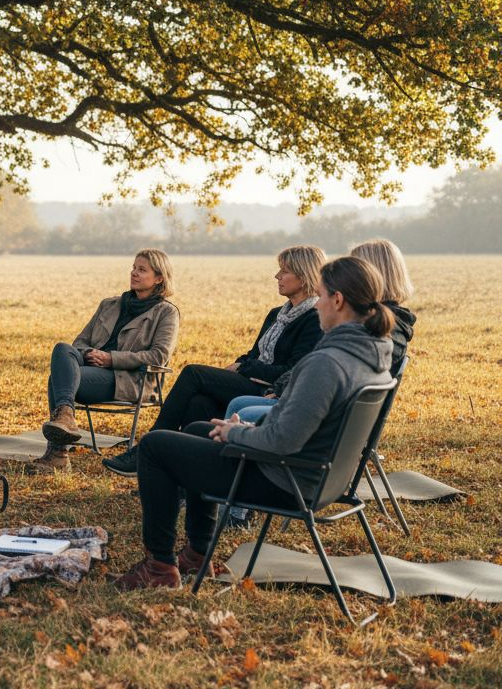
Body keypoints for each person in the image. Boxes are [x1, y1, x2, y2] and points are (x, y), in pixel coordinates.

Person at [114, 255, 395, 589]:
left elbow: (283, 441)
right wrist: (249, 429)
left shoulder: (327, 363)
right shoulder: (373, 353)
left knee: (155, 446)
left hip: (284, 479)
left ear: (338, 300)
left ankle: (159, 567)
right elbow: (304, 424)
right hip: (319, 476)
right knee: (195, 430)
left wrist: (237, 433)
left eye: (320, 296)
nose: (317, 304)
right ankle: (198, 554)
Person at [102, 244, 326, 477]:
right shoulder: (276, 314)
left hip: (269, 391)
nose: (277, 276)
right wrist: (244, 363)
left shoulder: (313, 319)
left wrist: (244, 367)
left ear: (304, 275)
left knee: (193, 373)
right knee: (199, 403)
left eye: (284, 271)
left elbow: (291, 371)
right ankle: (183, 477)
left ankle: (146, 448)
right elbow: (253, 354)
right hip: (251, 379)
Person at [220, 238, 415, 425]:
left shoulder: (378, 330)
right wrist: (281, 387)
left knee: (239, 408)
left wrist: (284, 392)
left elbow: (329, 373)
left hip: (327, 419)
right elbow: (314, 365)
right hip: (319, 408)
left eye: (355, 269)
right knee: (232, 405)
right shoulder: (369, 324)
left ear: (373, 276)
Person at [38, 249, 181, 469]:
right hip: (91, 367)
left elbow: (159, 356)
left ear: (159, 278)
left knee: (56, 380)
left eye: (142, 270)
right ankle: (65, 416)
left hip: (129, 379)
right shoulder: (109, 304)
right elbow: (80, 343)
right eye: (133, 267)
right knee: (62, 349)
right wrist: (89, 355)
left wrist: (110, 359)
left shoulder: (166, 313)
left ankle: (58, 453)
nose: (134, 273)